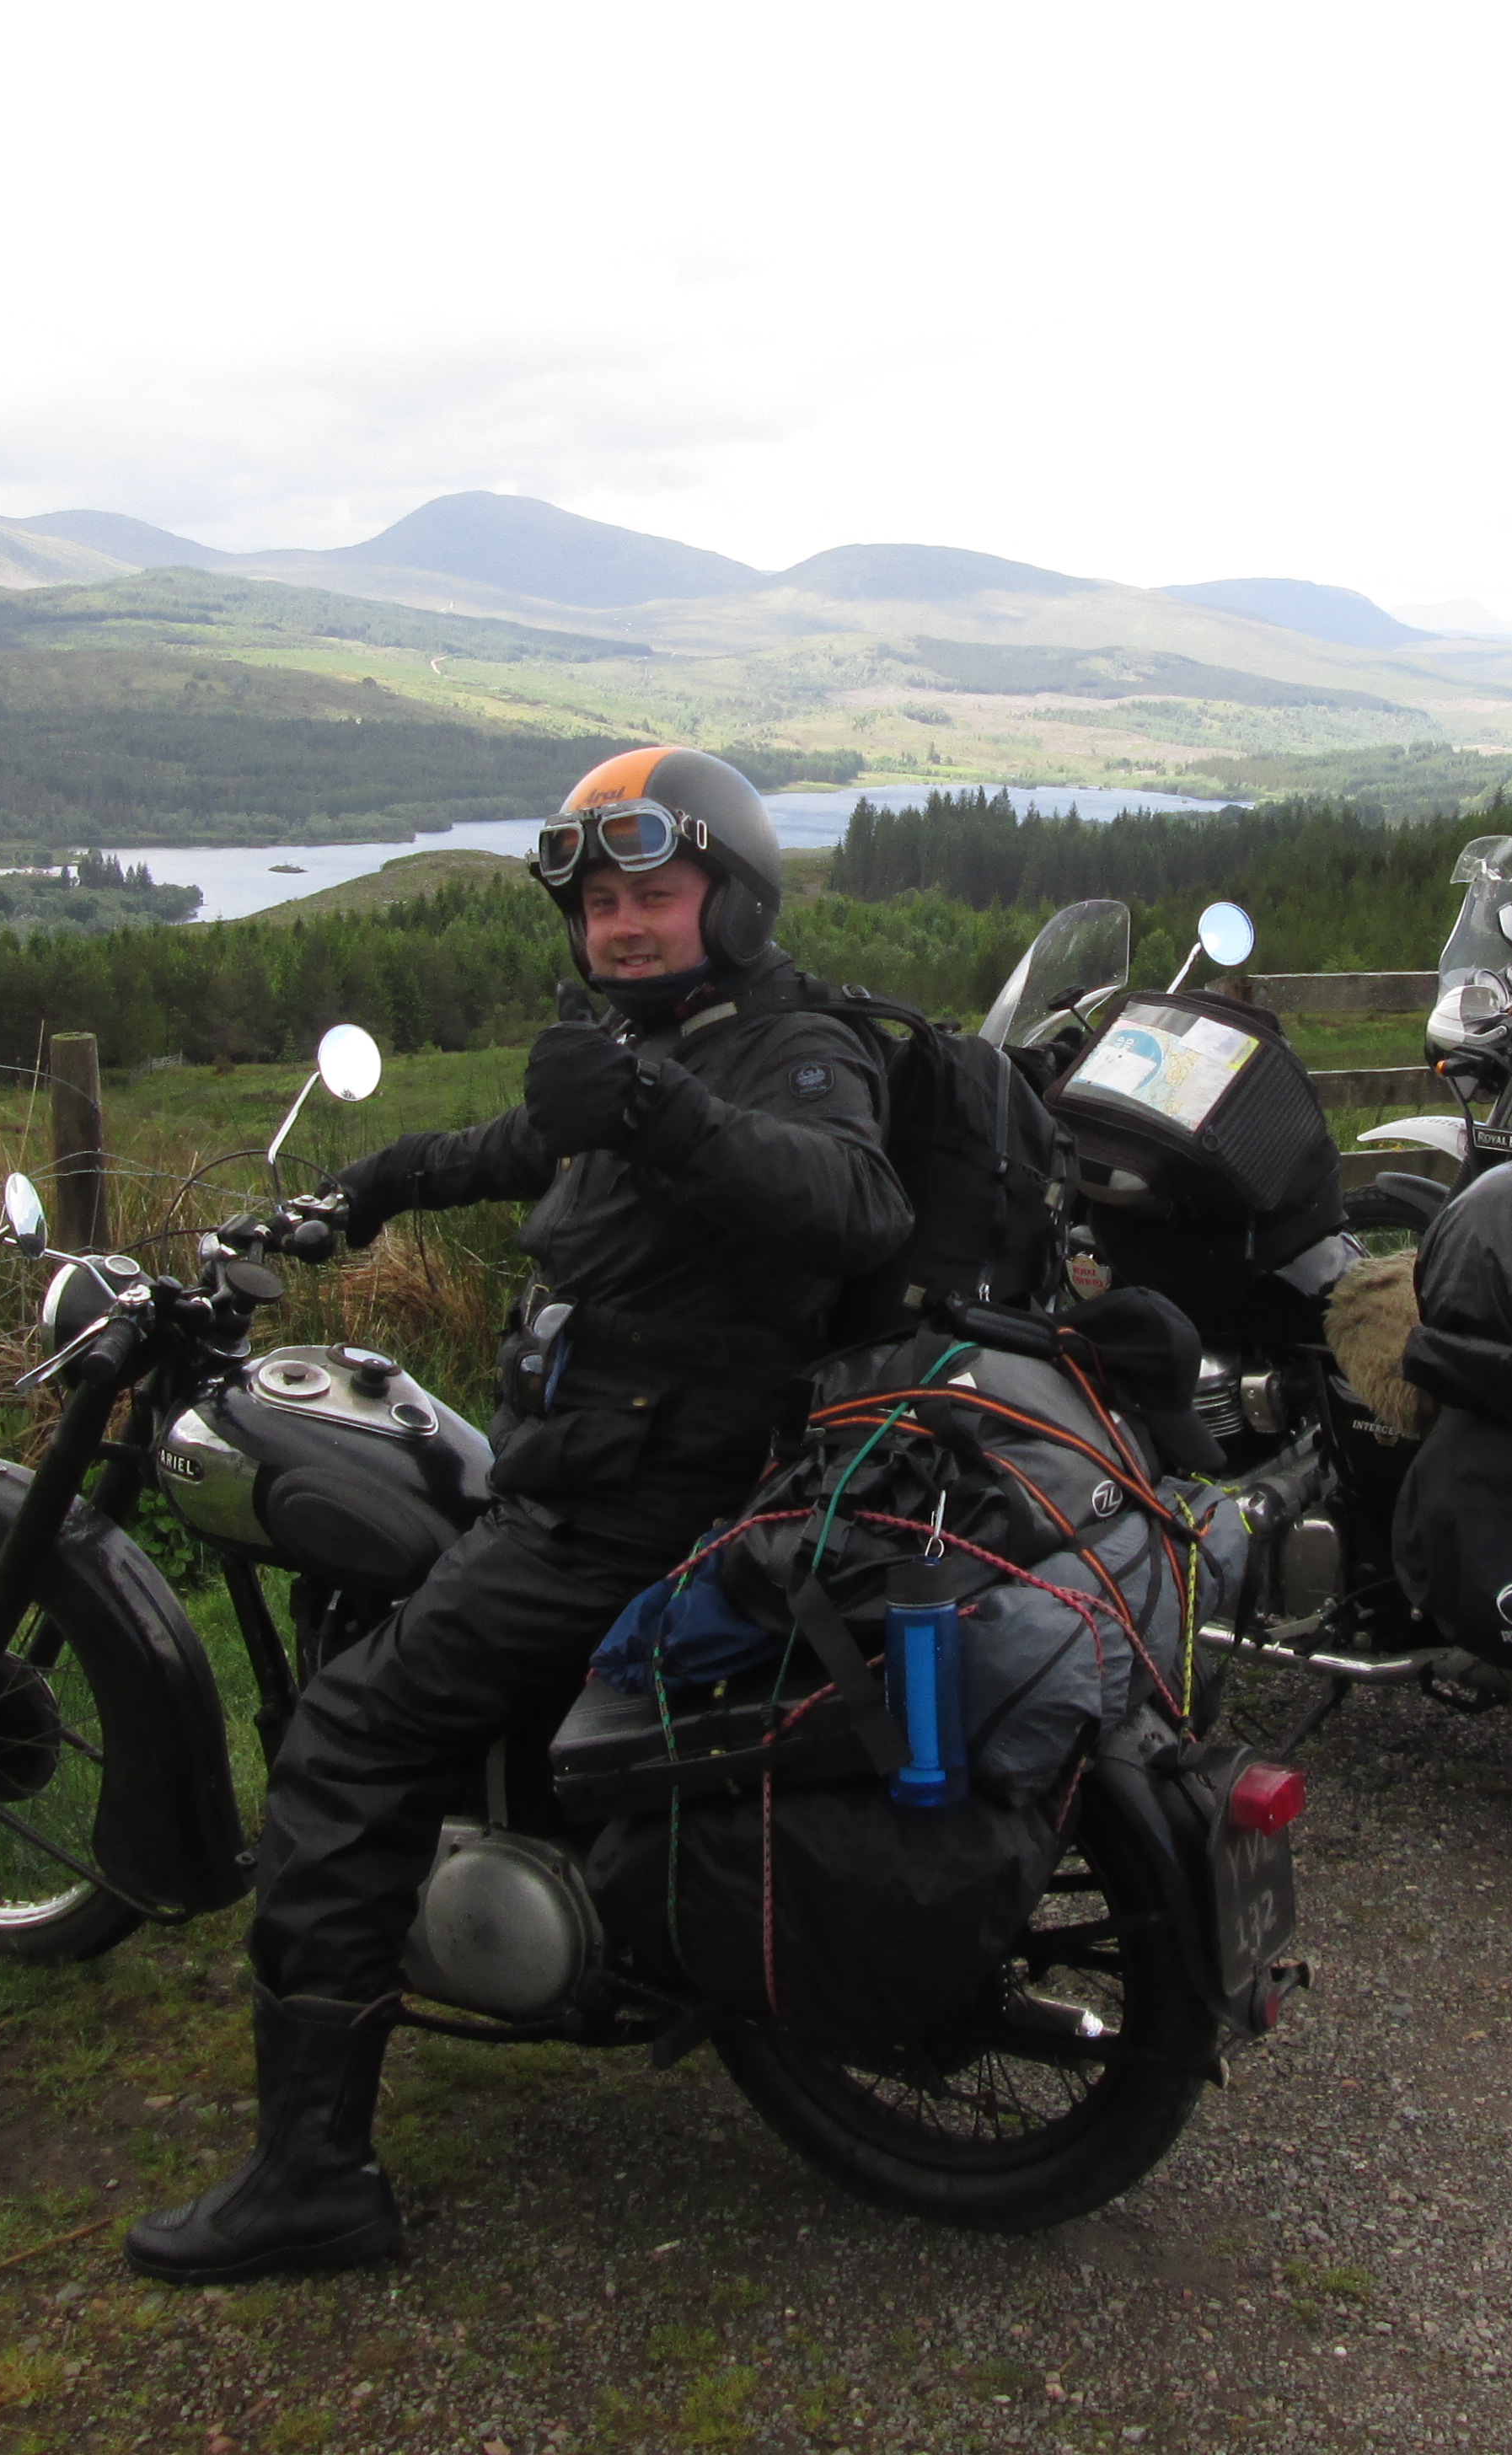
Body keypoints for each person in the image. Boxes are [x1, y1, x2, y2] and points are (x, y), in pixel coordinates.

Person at [124, 747, 911, 2286]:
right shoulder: (654, 1040)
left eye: (654, 895)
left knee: (347, 1738)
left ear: (734, 903)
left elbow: (853, 1203)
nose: (622, 925)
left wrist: (657, 1108)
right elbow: (521, 1147)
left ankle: (312, 2178)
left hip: (643, 1504)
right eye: (600, 904)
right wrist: (371, 1186)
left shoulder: (789, 1046)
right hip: (601, 1468)